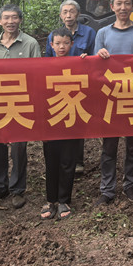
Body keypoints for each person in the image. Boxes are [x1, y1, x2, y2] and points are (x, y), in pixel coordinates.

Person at [94, 0, 133, 205]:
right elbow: (94, 68)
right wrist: (98, 56)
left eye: (127, 3)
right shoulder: (102, 33)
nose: (122, 7)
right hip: (110, 98)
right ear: (112, 7)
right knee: (109, 147)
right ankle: (107, 189)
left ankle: (130, 185)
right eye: (118, 3)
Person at [0, 4, 41, 209]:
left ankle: (18, 189)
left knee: (19, 147)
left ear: (20, 20)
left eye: (15, 17)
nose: (11, 22)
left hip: (21, 102)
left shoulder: (30, 43)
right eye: (6, 18)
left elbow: (38, 72)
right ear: (0, 21)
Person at [44, 0, 97, 174]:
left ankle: (78, 161)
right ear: (60, 15)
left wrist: (86, 60)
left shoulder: (89, 33)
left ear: (78, 14)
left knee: (77, 120)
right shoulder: (54, 35)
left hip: (80, 83)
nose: (68, 15)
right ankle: (61, 157)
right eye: (65, 12)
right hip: (59, 83)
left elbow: (94, 57)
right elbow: (47, 61)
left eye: (72, 11)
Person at [40, 27, 82, 220]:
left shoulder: (79, 64)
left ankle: (64, 200)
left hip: (72, 118)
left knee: (68, 162)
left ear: (71, 44)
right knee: (51, 162)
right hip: (51, 120)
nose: (62, 47)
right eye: (57, 43)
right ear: (51, 45)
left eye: (65, 43)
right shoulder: (44, 66)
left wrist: (87, 62)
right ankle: (51, 200)